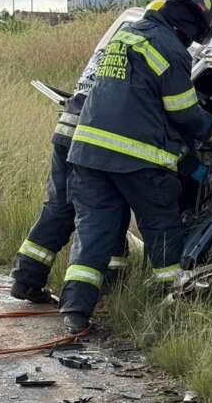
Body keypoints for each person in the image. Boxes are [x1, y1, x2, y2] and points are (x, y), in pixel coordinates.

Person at [59, 0, 212, 333]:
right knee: (161, 226)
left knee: (94, 230)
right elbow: (184, 113)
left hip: (88, 153)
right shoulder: (170, 49)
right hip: (138, 159)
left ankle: (75, 312)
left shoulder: (127, 36)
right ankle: (171, 305)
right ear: (193, 27)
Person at [10, 48, 129, 303]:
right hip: (94, 135)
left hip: (68, 127)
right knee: (105, 211)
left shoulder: (114, 45)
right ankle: (104, 286)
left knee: (58, 206)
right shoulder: (148, 47)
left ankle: (26, 278)